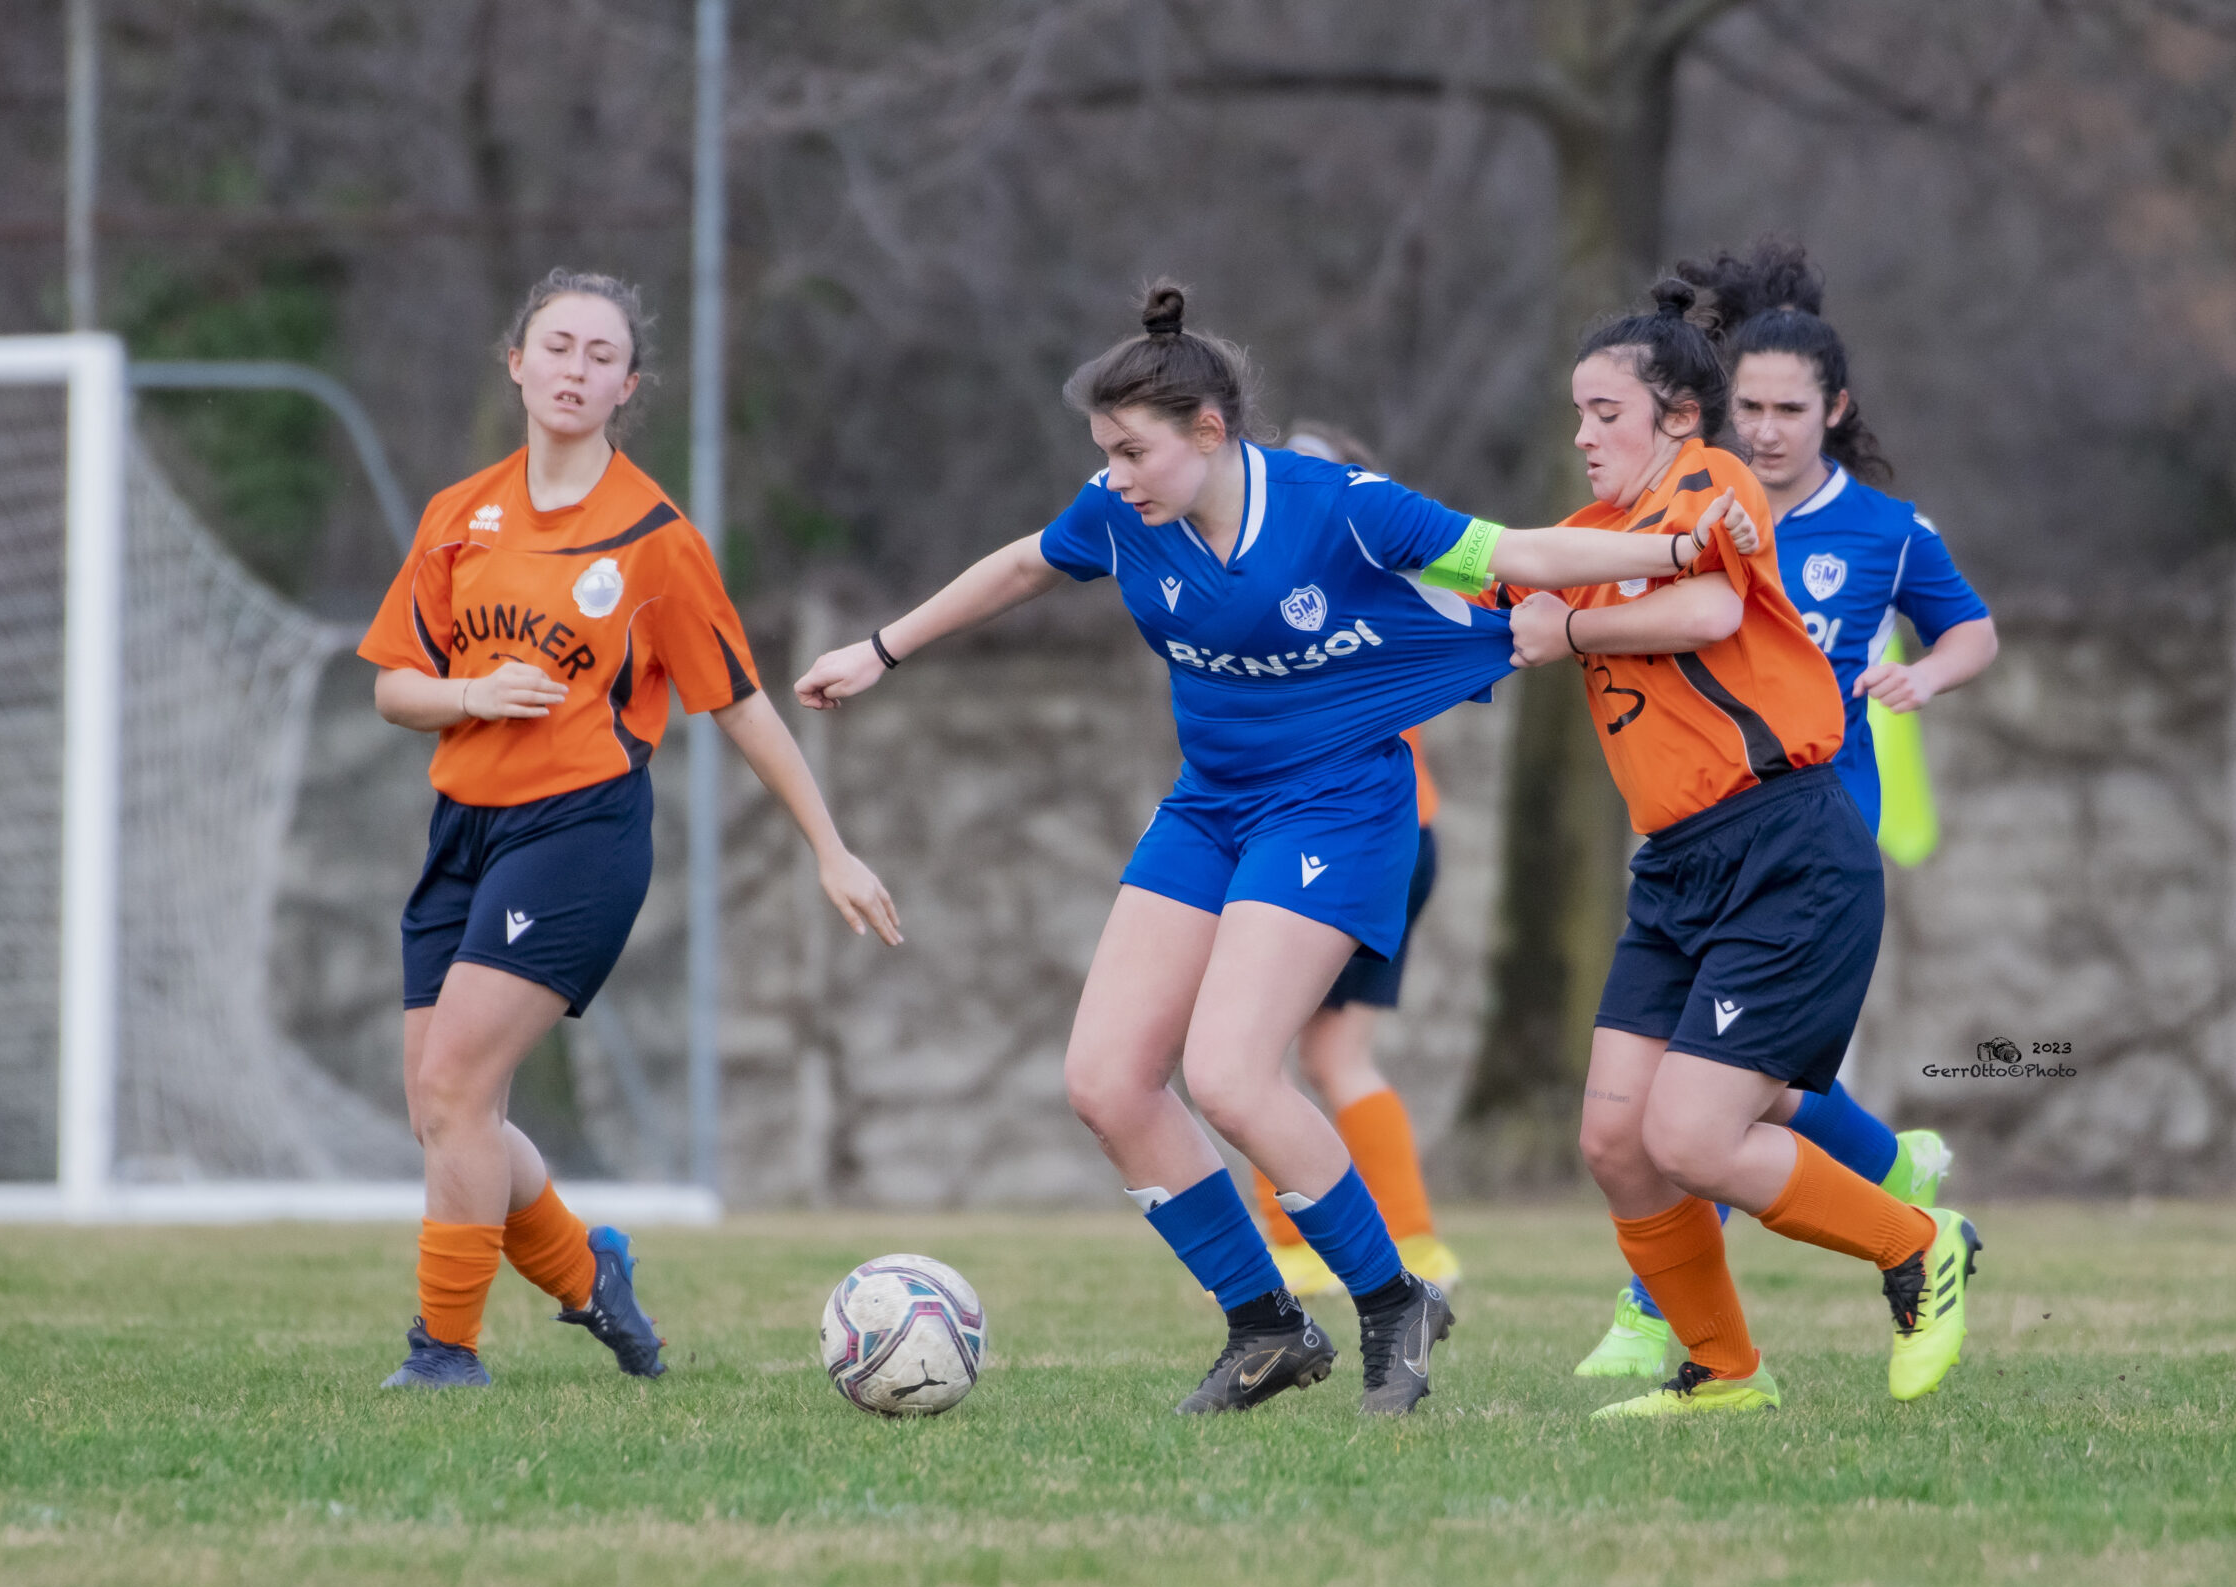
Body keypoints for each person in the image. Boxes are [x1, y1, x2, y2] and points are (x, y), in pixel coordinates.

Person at [795, 282, 1760, 1416]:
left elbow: (1520, 554)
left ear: (1210, 431)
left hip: (1338, 805)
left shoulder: (1340, 508)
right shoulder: (1120, 515)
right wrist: (881, 648)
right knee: (1105, 1082)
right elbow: (1020, 564)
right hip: (1211, 805)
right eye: (1104, 452)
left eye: (1132, 451)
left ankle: (1393, 1296)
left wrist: (1681, 542)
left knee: (1232, 1072)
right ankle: (1265, 1327)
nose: (1113, 475)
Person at [359, 268, 901, 1389]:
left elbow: (741, 703)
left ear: (626, 386)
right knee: (443, 1110)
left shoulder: (655, 539)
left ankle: (443, 1354)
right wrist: (472, 696)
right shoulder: (459, 516)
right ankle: (590, 1275)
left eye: (600, 356)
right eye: (556, 346)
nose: (574, 369)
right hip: (463, 825)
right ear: (516, 362)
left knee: (459, 1090)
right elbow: (394, 687)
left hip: (579, 833)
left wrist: (829, 847)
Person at [1503, 280, 1980, 1417]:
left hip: (1787, 848)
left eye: (1603, 413)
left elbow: (1711, 612)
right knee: (1617, 1140)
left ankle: (1917, 1244)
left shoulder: (1711, 483)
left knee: (1694, 1134)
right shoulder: (1584, 537)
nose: (1580, 436)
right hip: (1674, 866)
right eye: (1574, 414)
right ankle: (1722, 1374)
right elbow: (1490, 568)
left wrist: (1566, 627)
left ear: (1676, 416)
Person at [1247, 421, 1463, 1299]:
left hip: (1350, 836)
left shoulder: (1337, 576)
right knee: (1332, 1055)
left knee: (1250, 1049)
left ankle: (1294, 1247)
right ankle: (1413, 1243)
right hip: (1398, 830)